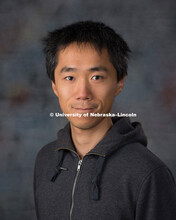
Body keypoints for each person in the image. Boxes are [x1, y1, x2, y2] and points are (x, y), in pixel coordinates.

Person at [33, 21, 176, 220]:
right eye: (70, 78)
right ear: (54, 86)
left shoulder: (149, 172)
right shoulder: (45, 159)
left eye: (97, 77)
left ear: (119, 83)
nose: (82, 93)